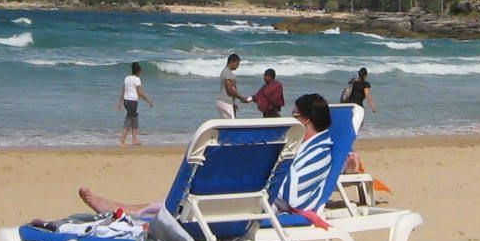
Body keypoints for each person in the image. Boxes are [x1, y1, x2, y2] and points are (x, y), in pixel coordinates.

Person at [80, 94, 337, 218]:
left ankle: (122, 211)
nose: (290, 119)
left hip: (262, 209)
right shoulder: (306, 146)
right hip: (256, 201)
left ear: (307, 119)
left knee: (188, 206)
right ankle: (123, 209)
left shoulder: (318, 151)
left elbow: (295, 198)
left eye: (294, 115)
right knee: (184, 202)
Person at [117, 61, 152, 146]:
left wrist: (120, 101)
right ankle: (122, 141)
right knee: (129, 119)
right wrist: (148, 100)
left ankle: (135, 140)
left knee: (134, 118)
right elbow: (140, 92)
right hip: (132, 101)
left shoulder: (127, 78)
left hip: (126, 100)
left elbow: (123, 90)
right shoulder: (137, 79)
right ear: (138, 71)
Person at [217, 53, 251, 118]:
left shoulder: (224, 71)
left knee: (227, 123)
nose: (237, 66)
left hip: (223, 101)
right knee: (232, 123)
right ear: (232, 62)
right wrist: (241, 97)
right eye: (237, 64)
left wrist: (233, 104)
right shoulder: (228, 73)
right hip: (226, 102)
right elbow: (229, 90)